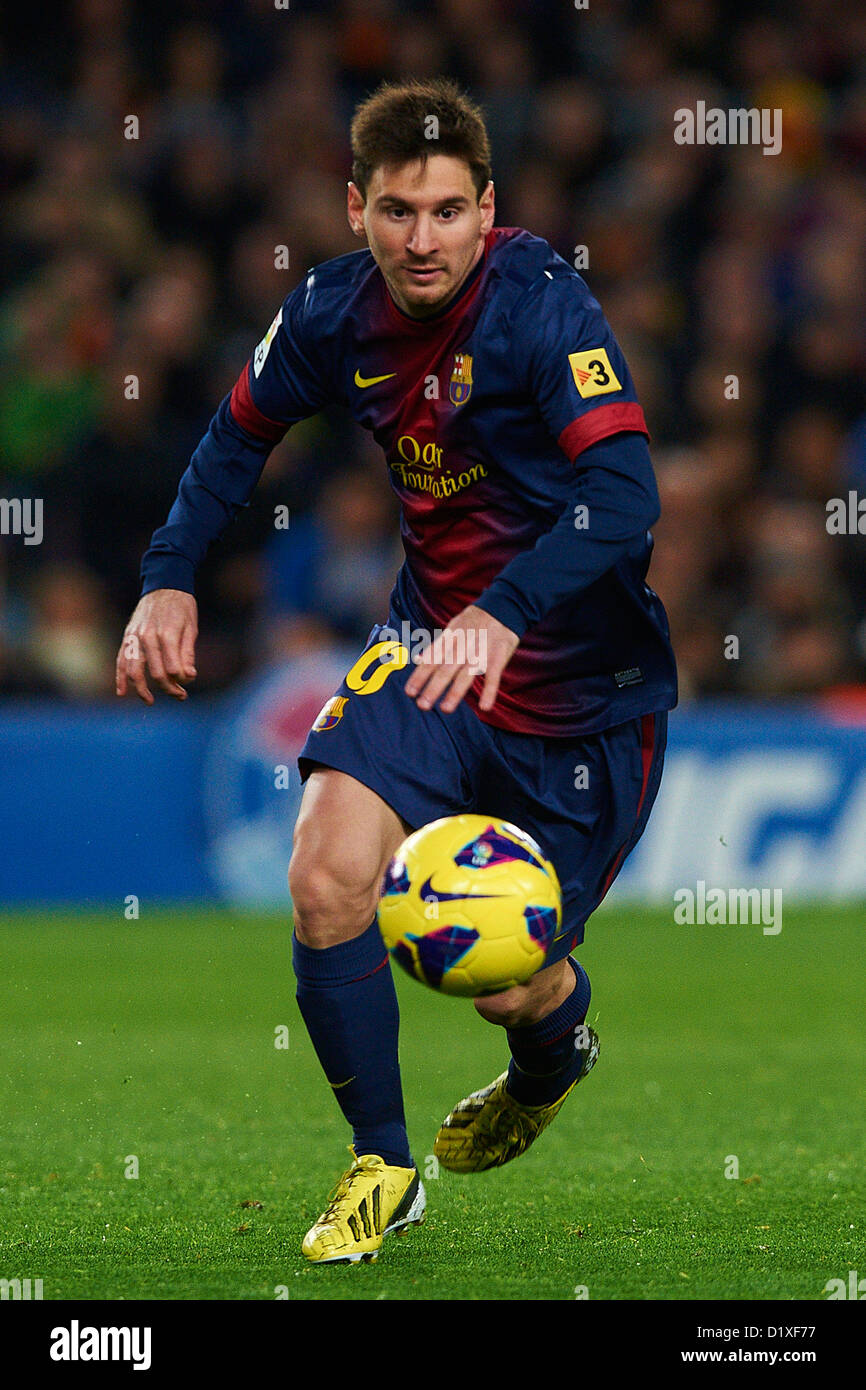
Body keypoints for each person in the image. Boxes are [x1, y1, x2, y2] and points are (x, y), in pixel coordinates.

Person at [116, 78, 677, 1265]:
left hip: (583, 699)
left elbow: (625, 494)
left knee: (505, 983)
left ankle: (552, 1046)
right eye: (395, 212)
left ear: (488, 209)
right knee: (324, 876)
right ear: (355, 207)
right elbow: (234, 437)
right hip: (427, 653)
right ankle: (381, 1164)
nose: (420, 240)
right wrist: (167, 574)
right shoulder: (330, 312)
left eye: (444, 211)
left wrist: (510, 612)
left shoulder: (541, 307)